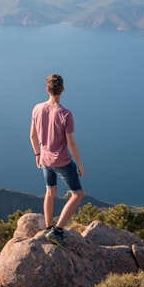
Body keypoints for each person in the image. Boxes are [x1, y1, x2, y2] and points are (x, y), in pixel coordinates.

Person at [29, 73, 85, 248]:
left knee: (50, 192)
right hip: (62, 161)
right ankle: (57, 231)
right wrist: (80, 164)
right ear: (62, 90)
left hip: (45, 160)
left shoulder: (37, 108)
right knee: (77, 194)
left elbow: (32, 136)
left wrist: (37, 155)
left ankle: (48, 227)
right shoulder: (66, 114)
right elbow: (71, 142)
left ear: (47, 90)